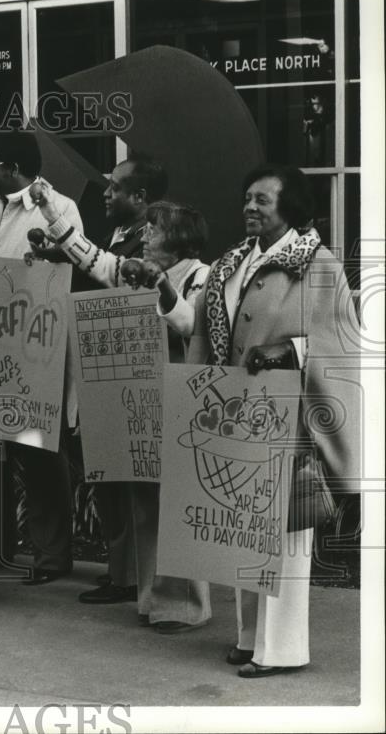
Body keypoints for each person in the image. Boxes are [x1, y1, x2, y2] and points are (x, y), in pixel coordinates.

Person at [186, 164, 358, 677]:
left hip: (291, 421)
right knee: (245, 529)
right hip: (238, 416)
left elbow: (344, 343)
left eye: (262, 200)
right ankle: (248, 639)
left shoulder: (319, 266)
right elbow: (200, 333)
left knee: (285, 537)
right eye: (246, 198)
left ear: (291, 208)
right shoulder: (229, 264)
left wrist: (291, 348)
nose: (249, 208)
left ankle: (280, 651)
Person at [30, 194, 214, 631]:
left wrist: (162, 287)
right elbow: (90, 257)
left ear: (181, 239)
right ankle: (153, 600)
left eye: (155, 229)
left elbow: (190, 325)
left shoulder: (201, 276)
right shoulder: (132, 272)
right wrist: (51, 213)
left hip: (180, 402)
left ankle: (185, 607)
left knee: (177, 506)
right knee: (145, 505)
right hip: (138, 403)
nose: (146, 236)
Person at [0, 129, 83, 585]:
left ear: (13, 168)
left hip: (38, 346)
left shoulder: (58, 207)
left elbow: (73, 264)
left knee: (39, 453)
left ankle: (52, 556)